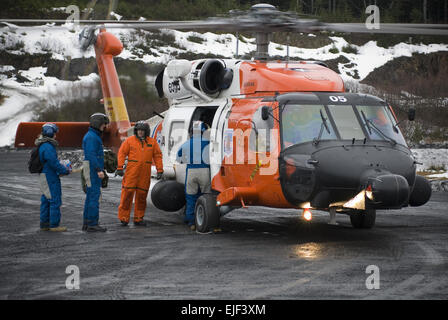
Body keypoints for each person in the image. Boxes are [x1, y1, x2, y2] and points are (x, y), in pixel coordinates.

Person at [116, 121, 163, 227]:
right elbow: (122, 153)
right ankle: (124, 218)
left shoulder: (152, 142)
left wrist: (160, 169)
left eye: (142, 130)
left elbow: (157, 155)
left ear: (146, 131)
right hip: (131, 173)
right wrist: (120, 167)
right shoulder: (129, 141)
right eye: (138, 130)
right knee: (127, 195)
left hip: (144, 174)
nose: (140, 132)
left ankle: (138, 218)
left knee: (142, 197)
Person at [36, 123, 71, 232]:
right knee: (55, 200)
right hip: (50, 176)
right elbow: (53, 162)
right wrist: (64, 170)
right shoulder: (48, 146)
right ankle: (54, 225)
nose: (56, 136)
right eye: (55, 133)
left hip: (43, 175)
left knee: (46, 200)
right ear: (51, 133)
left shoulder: (42, 145)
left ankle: (44, 224)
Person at [176, 121, 211, 231]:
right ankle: (205, 220)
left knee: (191, 197)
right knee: (207, 197)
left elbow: (179, 159)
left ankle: (191, 222)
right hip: (205, 171)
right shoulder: (208, 143)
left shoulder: (186, 143)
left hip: (191, 171)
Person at [82, 113, 109, 232]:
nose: (105, 126)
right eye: (103, 124)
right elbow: (91, 155)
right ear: (98, 123)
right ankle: (92, 223)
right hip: (93, 170)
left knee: (90, 196)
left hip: (90, 168)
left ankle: (87, 223)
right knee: (94, 196)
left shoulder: (92, 136)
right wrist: (99, 169)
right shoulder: (92, 137)